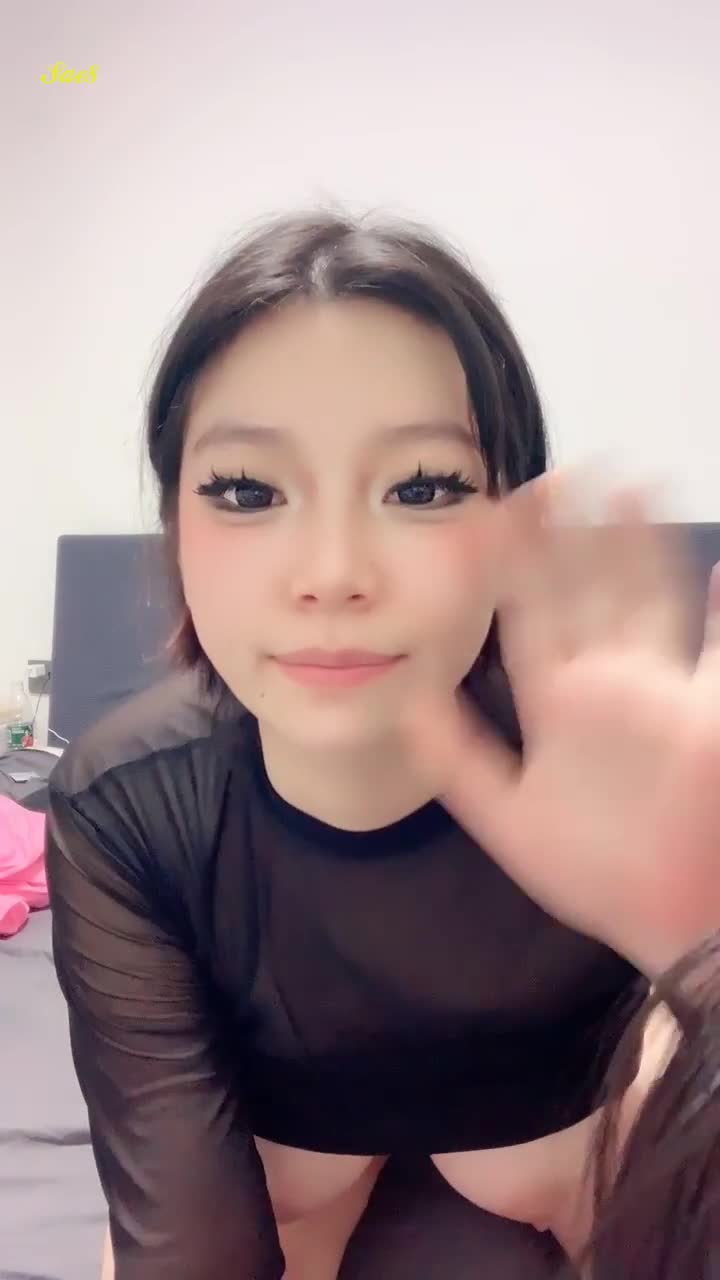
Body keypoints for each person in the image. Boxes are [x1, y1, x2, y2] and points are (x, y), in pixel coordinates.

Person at [45, 210, 720, 1280]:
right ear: (176, 520)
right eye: (247, 490)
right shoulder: (126, 799)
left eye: (421, 487)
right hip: (285, 1154)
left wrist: (698, 942)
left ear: (512, 520)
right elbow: (184, 1241)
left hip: (557, 1134)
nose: (331, 573)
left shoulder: (617, 762)